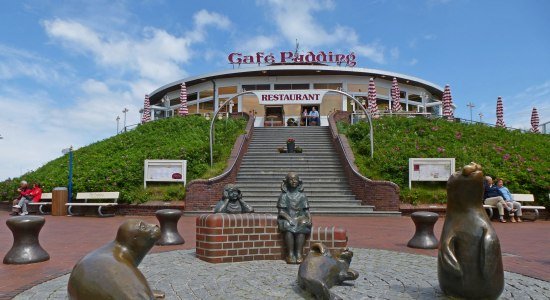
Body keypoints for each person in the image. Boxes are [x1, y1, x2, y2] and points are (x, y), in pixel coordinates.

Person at [277, 172, 312, 264]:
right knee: (288, 226)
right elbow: (281, 212)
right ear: (287, 182)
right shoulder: (284, 195)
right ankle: (290, 254)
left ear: (299, 182)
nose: (293, 181)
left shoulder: (302, 195)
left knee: (303, 224)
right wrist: (289, 219)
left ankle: (299, 253)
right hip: (287, 217)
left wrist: (309, 220)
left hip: (300, 217)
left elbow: (307, 211)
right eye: (291, 179)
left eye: (295, 179)